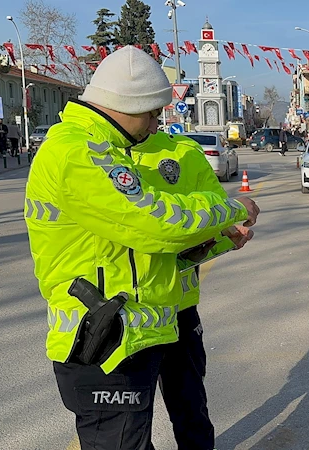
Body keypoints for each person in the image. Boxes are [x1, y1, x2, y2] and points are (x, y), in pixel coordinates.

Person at [24, 46, 260, 450]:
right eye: (151, 114)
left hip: (131, 328)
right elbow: (156, 224)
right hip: (104, 336)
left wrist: (214, 240)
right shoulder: (78, 151)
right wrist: (231, 208)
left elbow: (150, 247)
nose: (155, 127)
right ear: (126, 103)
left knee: (154, 431)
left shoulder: (107, 148)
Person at [132, 131, 234, 449]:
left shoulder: (182, 152)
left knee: (190, 405)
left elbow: (216, 213)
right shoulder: (101, 155)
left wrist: (227, 231)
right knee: (129, 422)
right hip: (131, 318)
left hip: (180, 308)